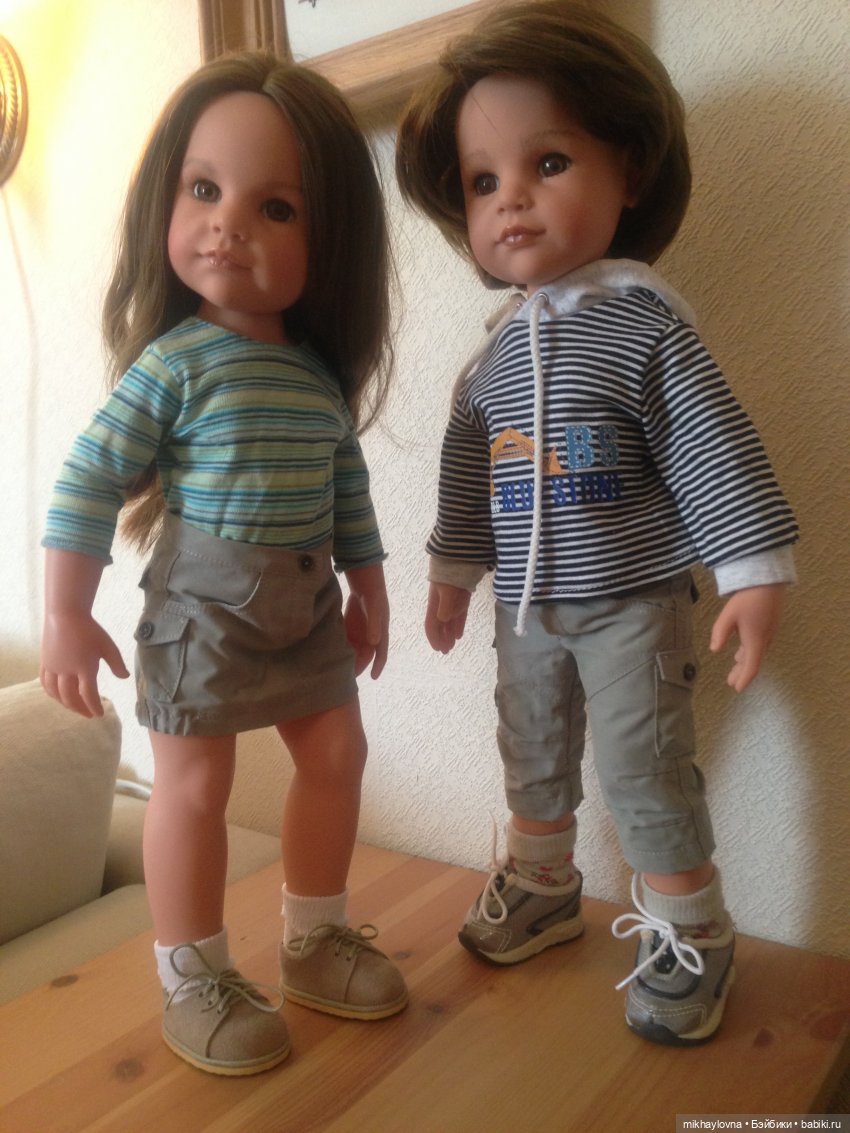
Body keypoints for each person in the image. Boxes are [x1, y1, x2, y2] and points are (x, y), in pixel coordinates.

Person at [396, 0, 798, 1046]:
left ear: (628, 170)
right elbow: (464, 475)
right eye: (482, 181)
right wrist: (451, 573)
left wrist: (751, 565)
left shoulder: (642, 322)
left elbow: (706, 439)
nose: (512, 198)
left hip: (631, 602)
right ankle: (541, 882)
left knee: (642, 763)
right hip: (527, 606)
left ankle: (693, 930)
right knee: (529, 745)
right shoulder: (488, 357)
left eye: (549, 162)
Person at [40, 52, 407, 1077]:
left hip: (308, 602)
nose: (227, 224)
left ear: (330, 242)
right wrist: (66, 610)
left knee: (337, 750)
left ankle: (314, 936)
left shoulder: (316, 377)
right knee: (195, 781)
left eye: (274, 207)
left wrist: (371, 589)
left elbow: (347, 493)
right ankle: (192, 972)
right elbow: (88, 478)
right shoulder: (173, 365)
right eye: (203, 189)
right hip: (201, 606)